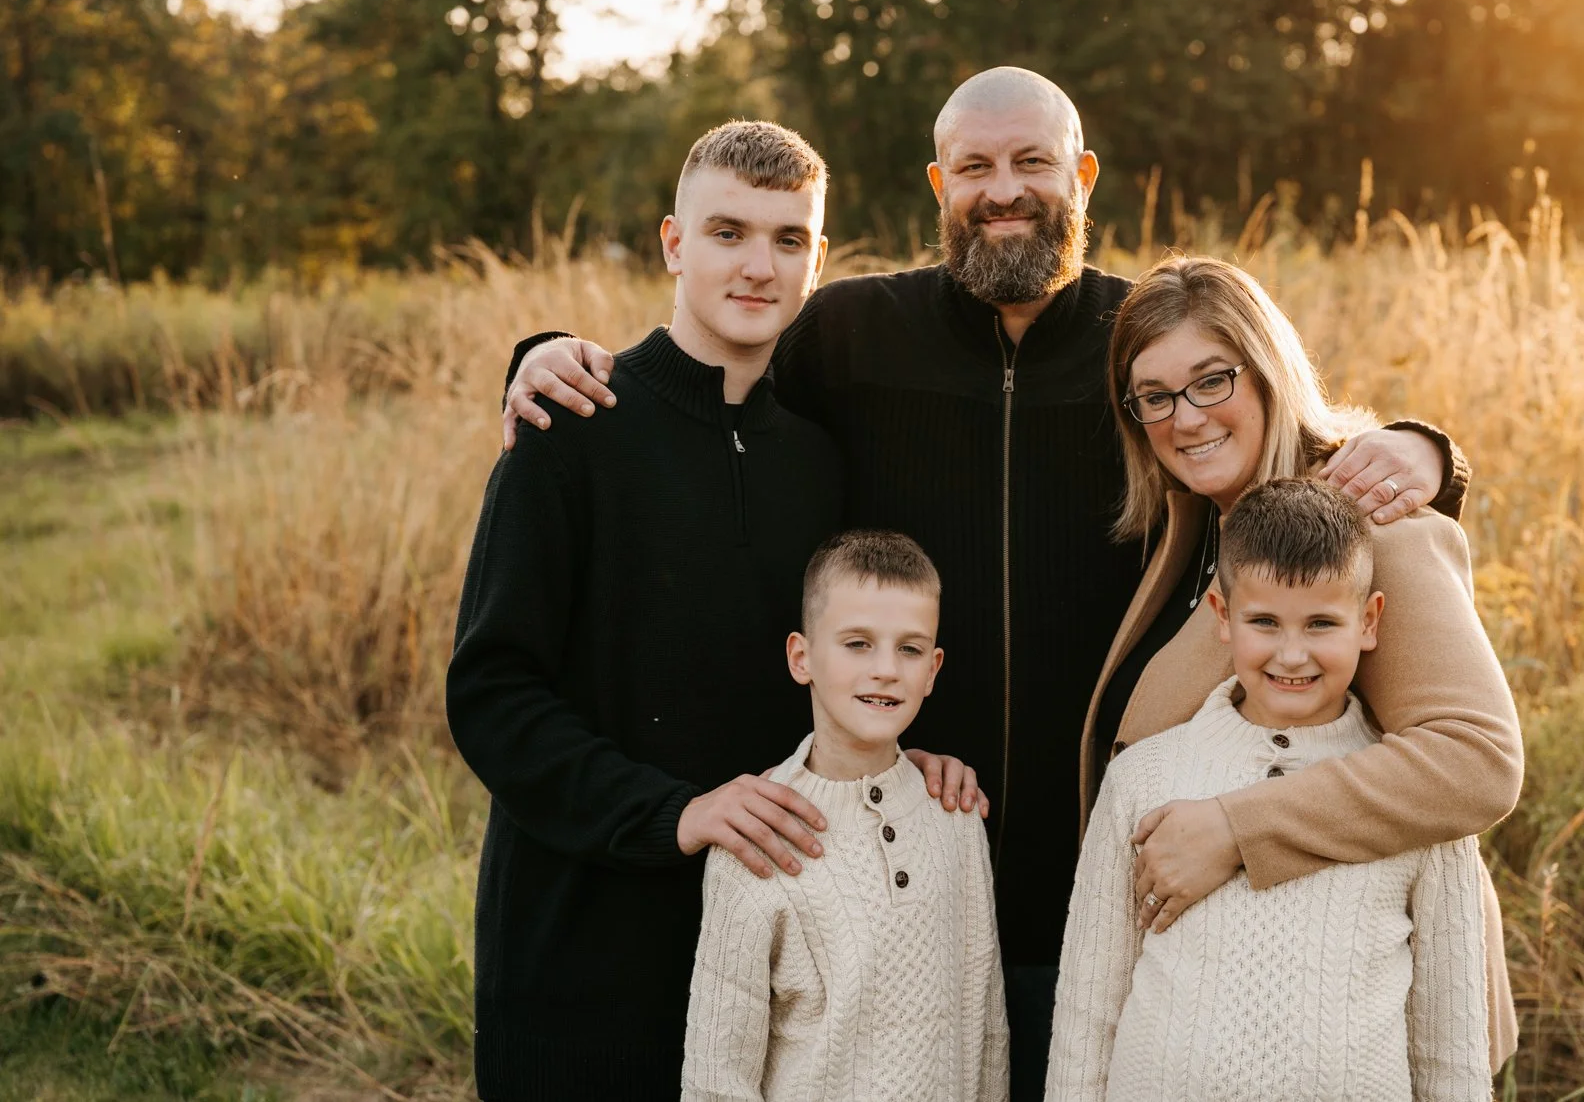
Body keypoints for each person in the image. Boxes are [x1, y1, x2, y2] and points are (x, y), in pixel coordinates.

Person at [496, 68, 1468, 1093]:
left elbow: (1281, 436)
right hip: (903, 885)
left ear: (1082, 175)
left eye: (1032, 162)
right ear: (939, 184)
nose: (1003, 190)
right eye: (974, 167)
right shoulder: (849, 334)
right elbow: (704, 395)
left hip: (1115, 887)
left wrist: (1428, 454)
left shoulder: (1141, 341)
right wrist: (545, 357)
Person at [446, 122, 976, 1100]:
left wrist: (904, 755)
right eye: (727, 232)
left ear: (817, 258)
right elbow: (492, 695)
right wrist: (674, 812)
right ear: (673, 243)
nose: (757, 265)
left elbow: (840, 663)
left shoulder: (817, 461)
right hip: (580, 954)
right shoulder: (570, 426)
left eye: (787, 239)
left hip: (769, 959)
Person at [1081, 255, 1521, 1070]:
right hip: (1208, 1024)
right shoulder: (1191, 524)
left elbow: (1477, 759)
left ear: (1267, 370)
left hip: (1351, 1023)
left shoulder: (1369, 520)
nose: (1186, 417)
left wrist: (1237, 827)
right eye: (1156, 396)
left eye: (1212, 380)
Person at [1048, 478, 1490, 1101]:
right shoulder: (1143, 777)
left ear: (1368, 621)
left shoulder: (1417, 797)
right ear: (1223, 618)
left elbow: (1450, 1047)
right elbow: (1088, 1013)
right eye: (1264, 622)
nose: (1291, 654)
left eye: (1321, 623)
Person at [683, 530, 1007, 1102]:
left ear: (933, 670)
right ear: (801, 657)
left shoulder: (955, 818)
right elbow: (717, 1079)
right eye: (858, 643)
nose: (886, 669)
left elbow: (986, 1032)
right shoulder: (755, 832)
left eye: (909, 649)